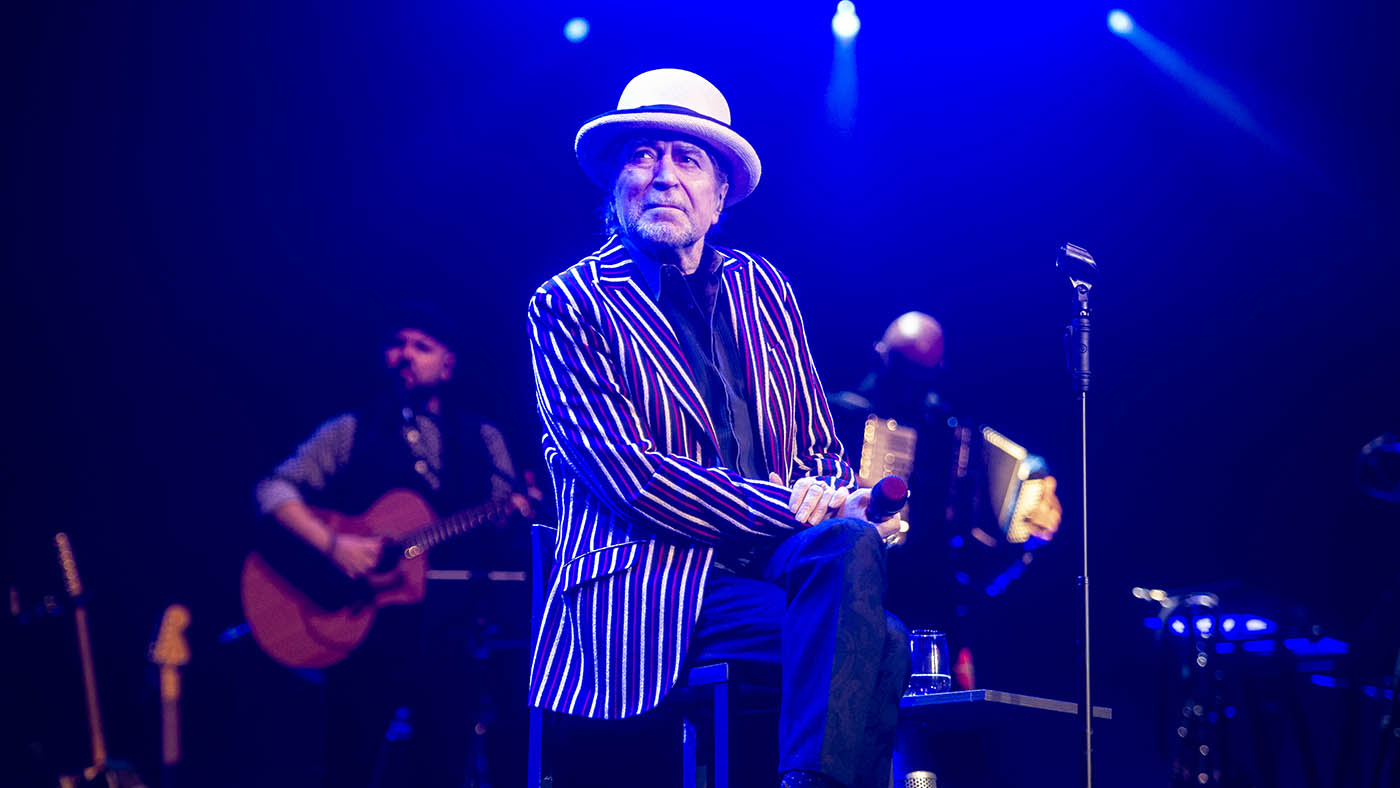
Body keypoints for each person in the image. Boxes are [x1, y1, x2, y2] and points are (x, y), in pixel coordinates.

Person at [525, 69, 908, 788]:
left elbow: (821, 449)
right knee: (881, 640)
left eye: (688, 159)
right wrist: (791, 505)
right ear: (615, 181)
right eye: (643, 155)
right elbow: (635, 481)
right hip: (647, 589)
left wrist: (836, 497)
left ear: (720, 192)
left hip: (768, 572)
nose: (665, 176)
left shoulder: (764, 289)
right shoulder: (569, 304)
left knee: (851, 546)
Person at [254, 308, 529, 787]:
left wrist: (513, 515)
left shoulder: (482, 439)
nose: (406, 354)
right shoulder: (350, 429)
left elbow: (504, 526)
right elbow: (273, 490)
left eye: (422, 346)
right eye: (397, 343)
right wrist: (335, 544)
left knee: (444, 766)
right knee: (348, 766)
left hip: (451, 634)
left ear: (448, 364)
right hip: (364, 630)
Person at [829, 311, 1062, 689]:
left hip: (933, 598)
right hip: (858, 591)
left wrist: (1039, 489)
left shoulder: (948, 424)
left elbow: (1020, 468)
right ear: (879, 354)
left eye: (921, 376)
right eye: (904, 372)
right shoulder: (840, 416)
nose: (910, 389)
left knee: (944, 709)